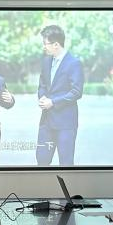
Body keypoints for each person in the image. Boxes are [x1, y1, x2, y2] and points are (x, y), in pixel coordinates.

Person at [35, 24, 83, 166]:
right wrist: (42, 97)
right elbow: (42, 84)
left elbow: (76, 92)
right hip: (46, 122)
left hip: (65, 123)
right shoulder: (46, 61)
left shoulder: (74, 63)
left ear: (56, 44)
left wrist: (53, 102)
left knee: (66, 163)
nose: (44, 47)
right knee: (41, 160)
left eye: (45, 43)